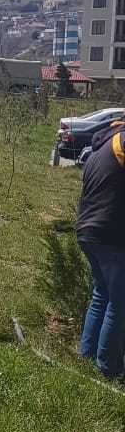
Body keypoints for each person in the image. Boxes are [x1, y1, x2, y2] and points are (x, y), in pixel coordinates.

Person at [77, 117, 125, 379]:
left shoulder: (103, 143)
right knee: (120, 303)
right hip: (110, 234)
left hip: (87, 229)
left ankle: (86, 358)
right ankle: (108, 368)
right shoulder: (122, 141)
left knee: (102, 295)